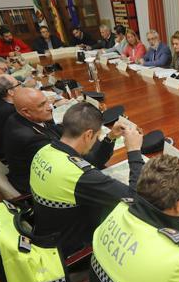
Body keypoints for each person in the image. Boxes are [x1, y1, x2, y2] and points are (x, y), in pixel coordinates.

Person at [30, 102, 144, 256]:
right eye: (97, 136)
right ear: (88, 134)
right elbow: (135, 199)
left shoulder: (46, 150)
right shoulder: (79, 176)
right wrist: (134, 151)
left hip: (50, 230)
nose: (96, 139)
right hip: (74, 248)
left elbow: (91, 161)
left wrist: (110, 137)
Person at [3, 88, 114, 194]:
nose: (50, 107)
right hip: (44, 188)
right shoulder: (33, 139)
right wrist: (109, 138)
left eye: (47, 101)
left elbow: (56, 129)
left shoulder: (21, 117)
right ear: (26, 112)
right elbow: (93, 162)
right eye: (42, 105)